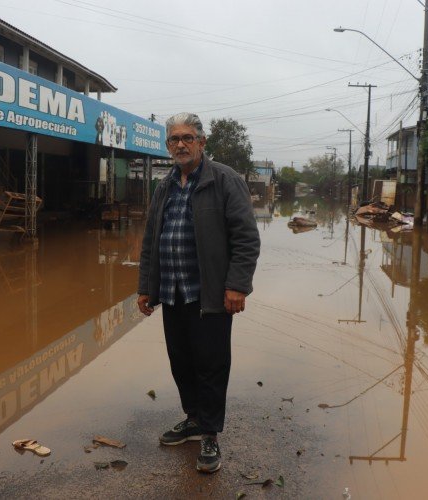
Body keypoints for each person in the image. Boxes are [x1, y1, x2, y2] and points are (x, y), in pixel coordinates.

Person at [137, 112, 260, 473]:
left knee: (211, 365)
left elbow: (246, 237)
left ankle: (209, 434)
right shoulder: (164, 185)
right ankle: (193, 419)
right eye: (174, 139)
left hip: (210, 295)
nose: (180, 144)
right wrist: (146, 286)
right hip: (173, 292)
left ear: (202, 142)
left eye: (188, 138)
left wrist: (237, 285)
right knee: (182, 363)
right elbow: (150, 241)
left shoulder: (224, 179)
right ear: (168, 146)